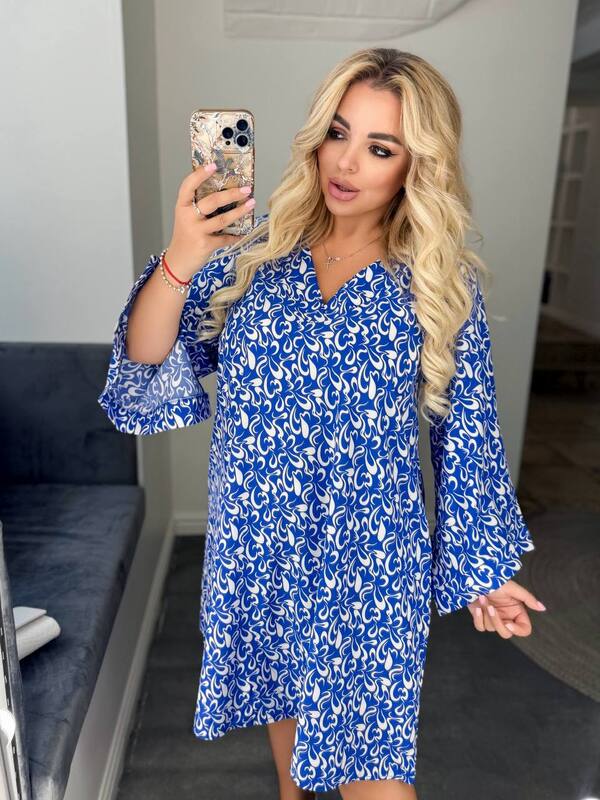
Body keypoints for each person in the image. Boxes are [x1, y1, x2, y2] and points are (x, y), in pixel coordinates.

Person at [98, 47, 546, 800]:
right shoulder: (255, 252)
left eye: (380, 147)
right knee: (294, 776)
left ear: (416, 164)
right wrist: (182, 254)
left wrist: (485, 571)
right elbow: (148, 360)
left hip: (368, 566)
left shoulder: (435, 281)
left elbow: (468, 434)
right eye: (338, 133)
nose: (347, 162)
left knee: (373, 779)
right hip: (259, 547)